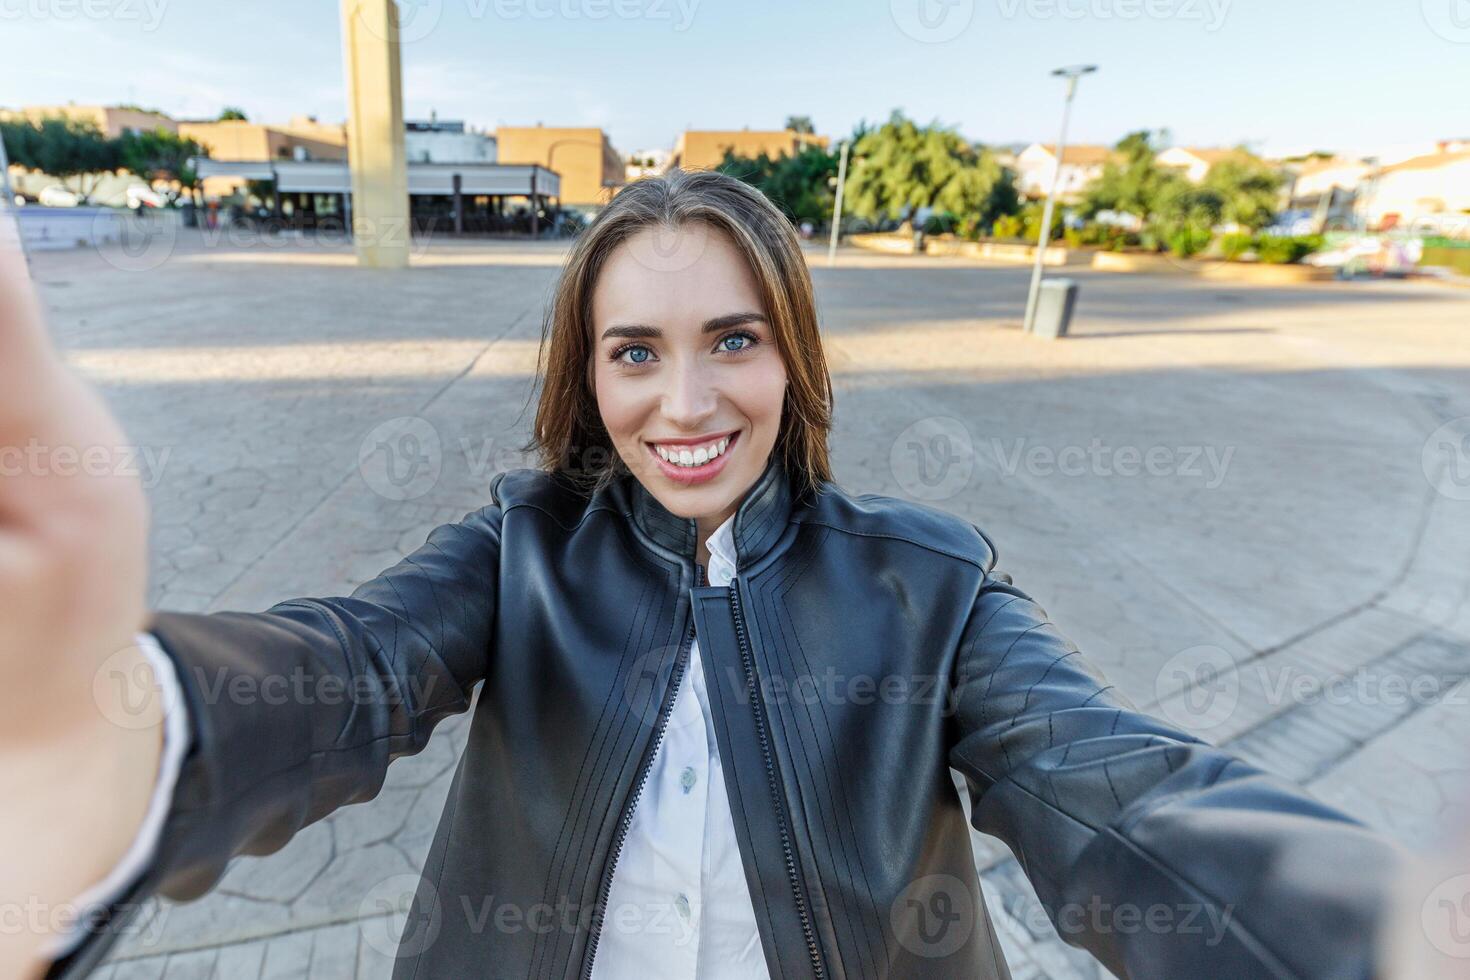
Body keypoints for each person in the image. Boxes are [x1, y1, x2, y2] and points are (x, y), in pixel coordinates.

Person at [3, 170, 1412, 980]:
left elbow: (1106, 783)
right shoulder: (519, 550)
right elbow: (353, 671)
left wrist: (1365, 927)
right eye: (635, 351)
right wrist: (116, 725)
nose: (685, 402)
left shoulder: (930, 582)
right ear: (588, 370)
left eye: (731, 340)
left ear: (790, 355)